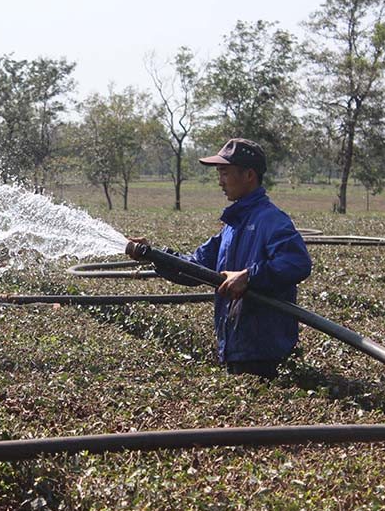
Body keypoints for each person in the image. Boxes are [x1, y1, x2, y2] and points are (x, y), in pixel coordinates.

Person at [131, 138, 312, 379]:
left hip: (264, 353)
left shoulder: (271, 220)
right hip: (236, 347)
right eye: (219, 174)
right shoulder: (232, 226)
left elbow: (297, 263)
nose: (220, 182)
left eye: (225, 173)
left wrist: (249, 276)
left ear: (249, 175)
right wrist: (153, 255)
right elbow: (195, 268)